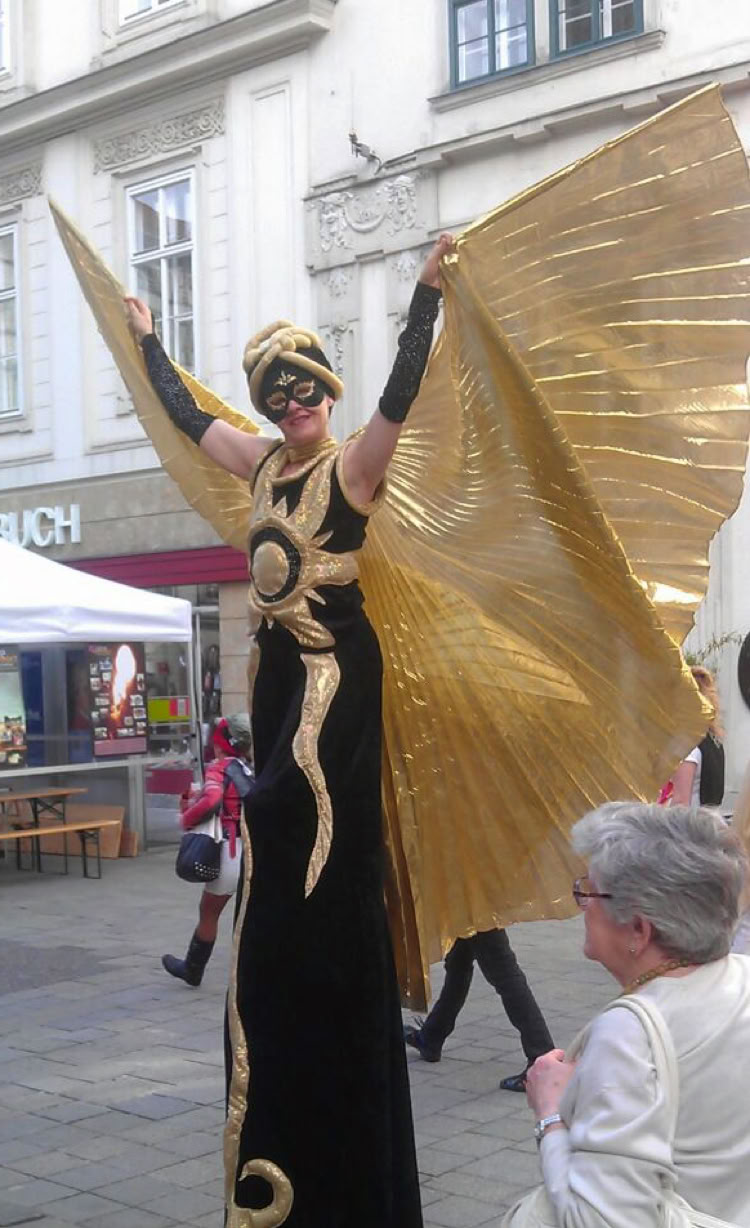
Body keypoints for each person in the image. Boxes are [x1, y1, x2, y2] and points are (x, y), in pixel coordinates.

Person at [124, 233, 454, 1228]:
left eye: (304, 390)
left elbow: (398, 399)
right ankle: (282, 931)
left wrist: (424, 299)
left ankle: (321, 929)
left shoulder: (353, 470)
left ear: (325, 389)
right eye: (277, 396)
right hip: (276, 680)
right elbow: (192, 421)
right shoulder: (261, 463)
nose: (292, 406)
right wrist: (147, 344)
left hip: (335, 677)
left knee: (308, 817)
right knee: (276, 814)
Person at [518, 802, 750, 1228]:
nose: (582, 903)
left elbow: (599, 1219)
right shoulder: (743, 975)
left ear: (639, 930)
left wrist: (550, 1114)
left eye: (590, 891)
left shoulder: (628, 1033)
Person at [162, 713, 253, 987]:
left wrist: (186, 818)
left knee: (209, 912)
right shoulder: (249, 769)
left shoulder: (219, 768)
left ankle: (193, 970)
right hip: (251, 851)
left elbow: (212, 799)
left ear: (220, 742)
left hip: (228, 851)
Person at [404, 928, 553, 1092]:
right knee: (459, 960)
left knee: (502, 969)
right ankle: (432, 1035)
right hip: (464, 912)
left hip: (475, 913)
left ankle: (542, 1058)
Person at [669, 665, 725, 808]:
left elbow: (680, 803)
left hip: (690, 820)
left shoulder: (687, 746)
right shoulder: (714, 741)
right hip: (710, 818)